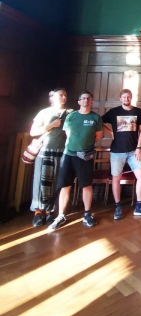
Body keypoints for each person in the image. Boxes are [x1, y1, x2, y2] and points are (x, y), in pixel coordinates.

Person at [47, 91, 103, 232]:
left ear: (92, 102)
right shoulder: (71, 116)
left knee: (86, 185)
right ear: (79, 102)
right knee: (65, 185)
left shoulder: (96, 118)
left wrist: (85, 145)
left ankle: (87, 214)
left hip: (85, 156)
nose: (86, 100)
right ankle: (61, 215)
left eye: (88, 98)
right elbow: (68, 134)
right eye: (83, 98)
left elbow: (98, 136)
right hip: (69, 155)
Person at [102, 89, 141, 220]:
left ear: (131, 98)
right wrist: (110, 132)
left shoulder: (138, 111)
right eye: (124, 97)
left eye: (129, 97)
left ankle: (139, 206)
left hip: (133, 151)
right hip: (117, 152)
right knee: (116, 178)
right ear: (120, 98)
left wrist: (139, 147)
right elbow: (99, 121)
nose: (126, 99)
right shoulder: (114, 112)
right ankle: (118, 206)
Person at [29, 88, 72, 226]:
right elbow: (33, 132)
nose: (64, 97)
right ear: (52, 98)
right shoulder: (44, 112)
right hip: (45, 151)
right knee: (40, 181)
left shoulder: (70, 113)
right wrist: (51, 125)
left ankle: (50, 212)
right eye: (61, 95)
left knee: (56, 182)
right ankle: (38, 212)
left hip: (62, 151)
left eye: (65, 95)